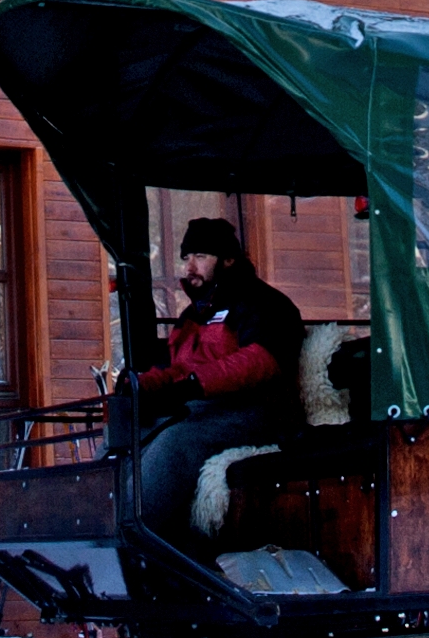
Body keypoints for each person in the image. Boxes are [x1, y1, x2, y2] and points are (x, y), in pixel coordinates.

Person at [131, 216, 307, 552]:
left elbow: (263, 360)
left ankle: (128, 537)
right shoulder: (194, 315)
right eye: (186, 257)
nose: (189, 266)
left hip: (255, 411)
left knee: (175, 441)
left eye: (199, 256)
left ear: (228, 260)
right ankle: (91, 525)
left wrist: (197, 383)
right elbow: (176, 368)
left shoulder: (263, 303)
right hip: (200, 407)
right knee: (131, 432)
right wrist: (143, 385)